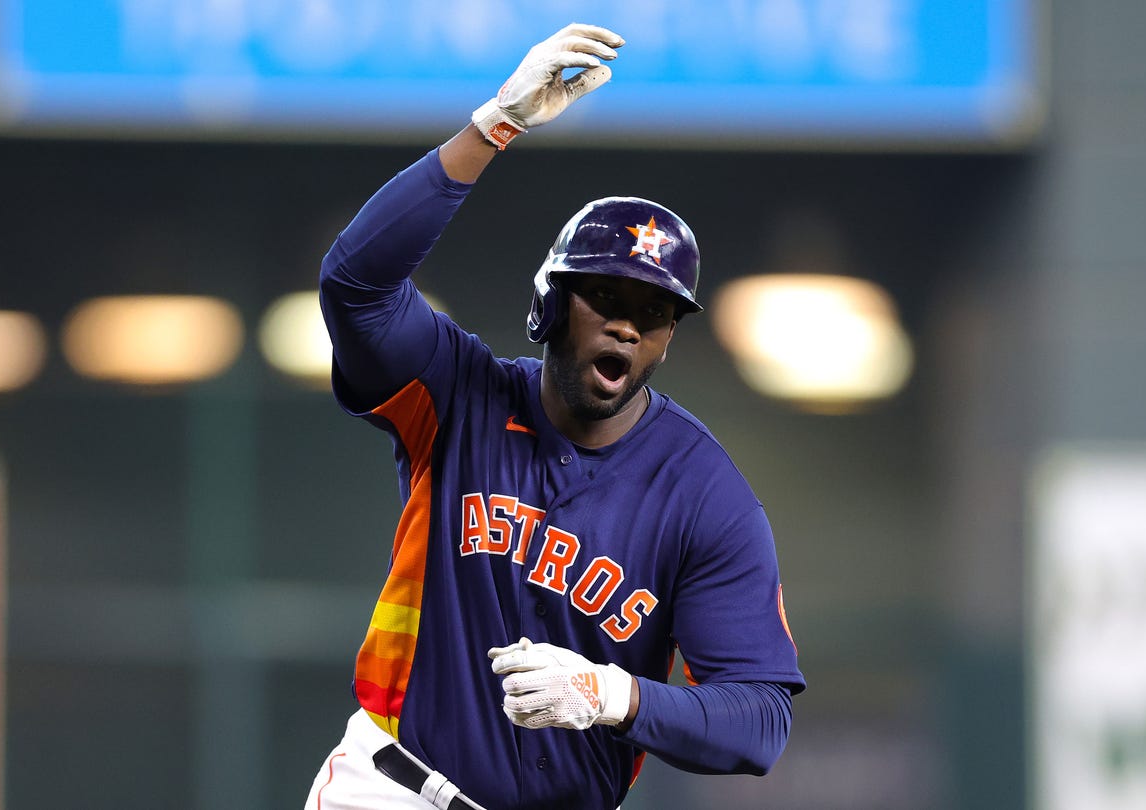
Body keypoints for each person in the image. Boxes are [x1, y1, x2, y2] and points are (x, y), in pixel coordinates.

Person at [305, 23, 805, 810]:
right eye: (605, 296)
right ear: (550, 304)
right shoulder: (458, 393)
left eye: (654, 310)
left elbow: (759, 721)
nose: (627, 326)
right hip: (395, 788)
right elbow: (354, 285)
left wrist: (614, 695)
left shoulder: (703, 494)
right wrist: (491, 127)